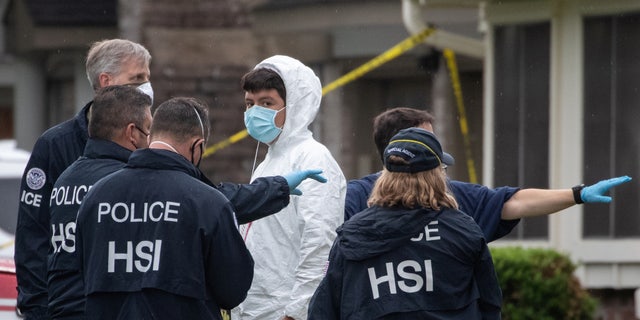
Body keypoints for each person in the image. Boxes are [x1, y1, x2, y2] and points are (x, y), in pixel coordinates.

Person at [75, 97, 286, 319]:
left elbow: (82, 273)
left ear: (151, 135)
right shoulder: (209, 203)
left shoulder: (95, 197)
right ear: (198, 146)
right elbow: (233, 290)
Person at [15, 39, 153, 320]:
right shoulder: (56, 145)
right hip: (70, 305)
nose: (148, 88)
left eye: (148, 78)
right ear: (106, 81)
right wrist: (38, 308)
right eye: (137, 79)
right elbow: (34, 235)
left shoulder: (151, 138)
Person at [345, 107, 632, 242]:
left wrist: (577, 194)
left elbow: (513, 201)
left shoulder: (450, 196)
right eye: (427, 143)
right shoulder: (355, 197)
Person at [308, 127, 502, 319]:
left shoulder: (353, 234)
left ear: (385, 175)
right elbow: (490, 303)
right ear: (436, 175)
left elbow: (322, 310)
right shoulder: (463, 229)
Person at [232, 55, 347, 320]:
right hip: (256, 308)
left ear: (294, 105)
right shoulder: (266, 163)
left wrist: (297, 311)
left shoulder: (313, 158)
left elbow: (320, 243)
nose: (254, 112)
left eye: (267, 103)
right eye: (249, 104)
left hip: (284, 310)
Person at [47, 85, 152, 319]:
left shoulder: (66, 178)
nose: (150, 139)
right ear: (132, 133)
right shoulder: (125, 181)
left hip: (62, 307)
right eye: (148, 130)